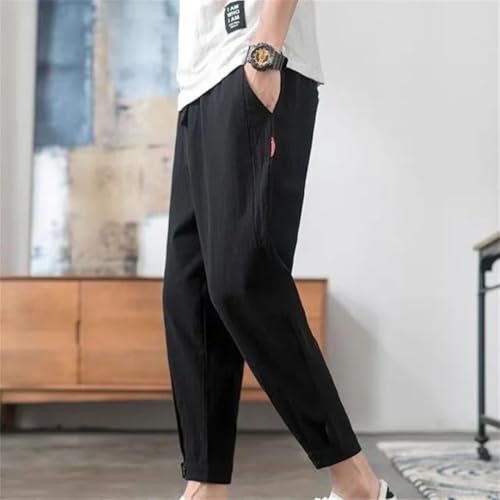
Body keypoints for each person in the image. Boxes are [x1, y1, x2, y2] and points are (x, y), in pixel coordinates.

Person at [162, 1, 398, 499]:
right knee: (191, 293)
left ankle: (356, 482)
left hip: (250, 58)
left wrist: (265, 50)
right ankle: (205, 487)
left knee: (243, 281)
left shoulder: (259, 57)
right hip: (199, 82)